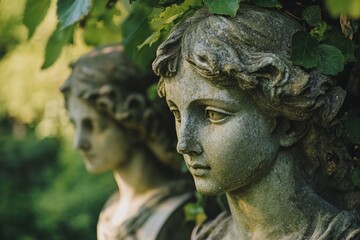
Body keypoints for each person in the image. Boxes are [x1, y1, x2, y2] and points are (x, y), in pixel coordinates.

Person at [152, 4, 360, 240]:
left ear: (289, 125)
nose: (184, 143)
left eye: (213, 114)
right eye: (177, 114)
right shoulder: (206, 235)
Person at [61, 44, 195, 240]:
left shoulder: (181, 215)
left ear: (133, 121)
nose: (79, 143)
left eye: (93, 126)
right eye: (76, 125)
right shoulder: (111, 213)